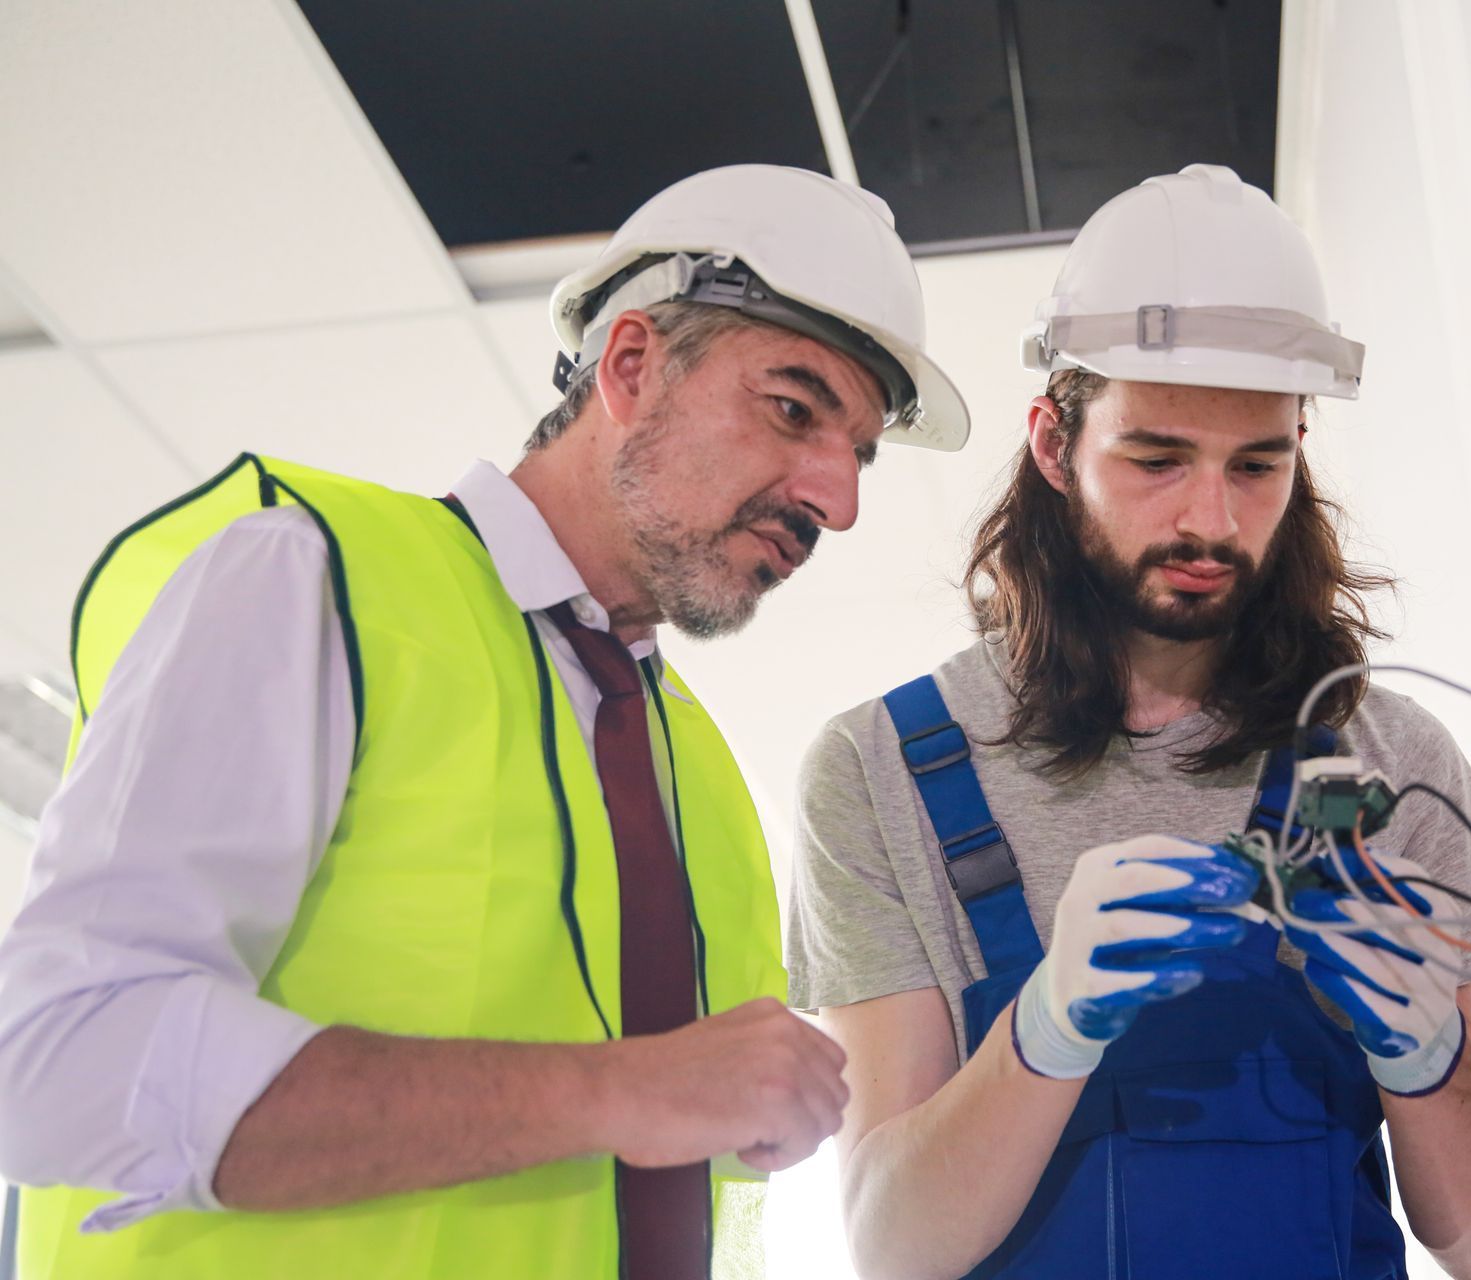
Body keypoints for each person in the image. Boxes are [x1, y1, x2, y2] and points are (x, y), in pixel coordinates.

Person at [0, 164, 970, 1280]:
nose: (835, 499)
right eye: (794, 409)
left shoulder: (699, 771)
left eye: (857, 452)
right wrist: (623, 1088)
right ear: (632, 365)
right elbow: (62, 1060)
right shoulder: (314, 580)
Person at [785, 165, 1471, 1279]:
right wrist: (1045, 1030)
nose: (1211, 518)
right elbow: (894, 1246)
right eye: (1156, 459)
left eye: (1257, 465)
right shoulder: (877, 769)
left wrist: (1427, 1057)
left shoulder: (1389, 758)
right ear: (1054, 444)